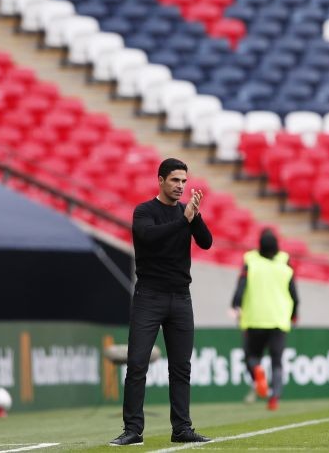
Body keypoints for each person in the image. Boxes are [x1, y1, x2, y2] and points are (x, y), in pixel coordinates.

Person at [110, 158, 213, 446]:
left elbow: (206, 242)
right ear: (160, 180)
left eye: (183, 181)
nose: (180, 186)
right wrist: (183, 220)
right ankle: (133, 430)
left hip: (181, 297)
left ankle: (182, 428)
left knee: (181, 367)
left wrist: (195, 217)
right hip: (149, 297)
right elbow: (150, 238)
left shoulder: (186, 212)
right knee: (137, 364)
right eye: (174, 180)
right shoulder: (144, 211)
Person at [230, 228, 299, 411]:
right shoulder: (285, 262)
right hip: (278, 319)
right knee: (277, 361)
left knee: (251, 356)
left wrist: (235, 305)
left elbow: (240, 287)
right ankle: (274, 397)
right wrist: (294, 314)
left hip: (254, 319)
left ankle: (258, 374)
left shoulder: (250, 261)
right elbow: (294, 293)